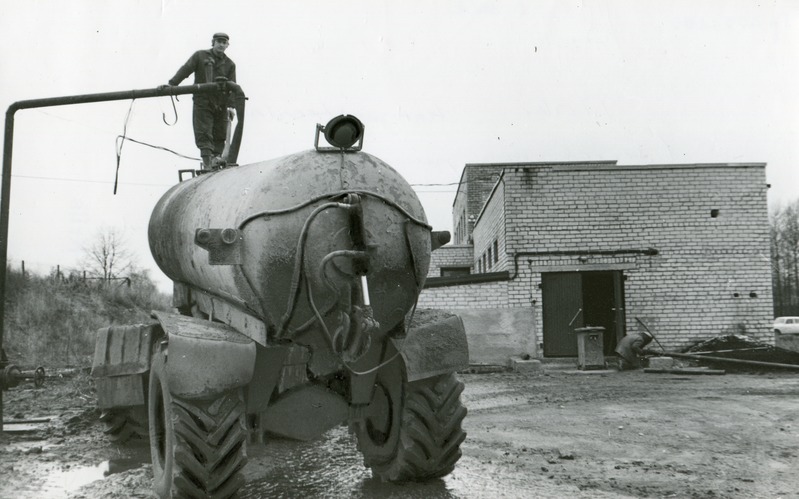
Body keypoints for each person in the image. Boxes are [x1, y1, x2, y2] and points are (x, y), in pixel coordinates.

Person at [163, 32, 237, 169]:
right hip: (203, 100)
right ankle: (208, 163)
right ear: (213, 42)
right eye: (218, 41)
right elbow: (185, 70)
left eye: (224, 42)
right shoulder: (200, 56)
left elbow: (233, 86)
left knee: (220, 132)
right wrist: (172, 84)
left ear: (227, 45)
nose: (221, 44)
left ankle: (217, 159)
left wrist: (231, 106)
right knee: (204, 131)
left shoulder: (230, 64)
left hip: (221, 103)